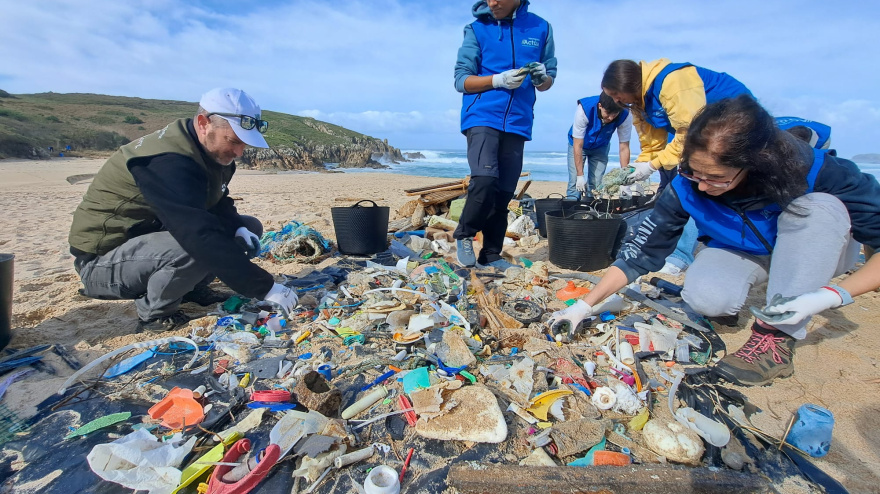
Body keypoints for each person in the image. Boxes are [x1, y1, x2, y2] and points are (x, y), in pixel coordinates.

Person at [548, 95, 880, 386]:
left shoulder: (818, 171)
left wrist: (830, 296)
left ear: (754, 163)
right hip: (744, 251)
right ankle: (743, 297)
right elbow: (639, 254)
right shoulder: (685, 186)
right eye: (694, 172)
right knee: (706, 297)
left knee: (819, 208)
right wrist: (584, 305)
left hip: (819, 250)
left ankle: (776, 340)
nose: (703, 186)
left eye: (718, 178)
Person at [68, 88, 299, 333]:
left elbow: (217, 200)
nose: (239, 153)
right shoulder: (166, 161)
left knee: (248, 226)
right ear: (203, 123)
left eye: (244, 144)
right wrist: (265, 287)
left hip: (147, 243)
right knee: (193, 246)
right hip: (101, 262)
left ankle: (192, 288)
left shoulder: (209, 152)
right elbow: (195, 233)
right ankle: (154, 316)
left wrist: (237, 226)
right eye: (233, 141)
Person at [601, 58, 754, 276]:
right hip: (695, 130)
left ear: (628, 86)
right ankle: (666, 248)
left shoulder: (672, 81)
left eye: (617, 95)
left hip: (732, 120)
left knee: (689, 185)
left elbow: (690, 132)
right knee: (667, 188)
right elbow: (652, 143)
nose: (616, 101)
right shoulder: (636, 102)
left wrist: (652, 165)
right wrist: (640, 167)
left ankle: (681, 255)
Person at [452, 0, 556, 269]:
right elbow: (461, 80)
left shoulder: (541, 27)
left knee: (504, 192)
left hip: (519, 121)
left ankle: (491, 254)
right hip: (482, 115)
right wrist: (496, 80)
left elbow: (547, 83)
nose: (492, 3)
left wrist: (541, 78)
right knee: (485, 179)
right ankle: (464, 234)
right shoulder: (477, 29)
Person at [566, 92, 632, 200]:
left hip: (601, 146)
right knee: (574, 182)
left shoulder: (625, 113)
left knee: (596, 185)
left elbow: (624, 147)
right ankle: (570, 208)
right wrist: (580, 175)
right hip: (578, 145)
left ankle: (593, 211)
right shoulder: (584, 109)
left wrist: (625, 181)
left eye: (614, 114)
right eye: (608, 113)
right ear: (600, 106)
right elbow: (578, 145)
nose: (610, 118)